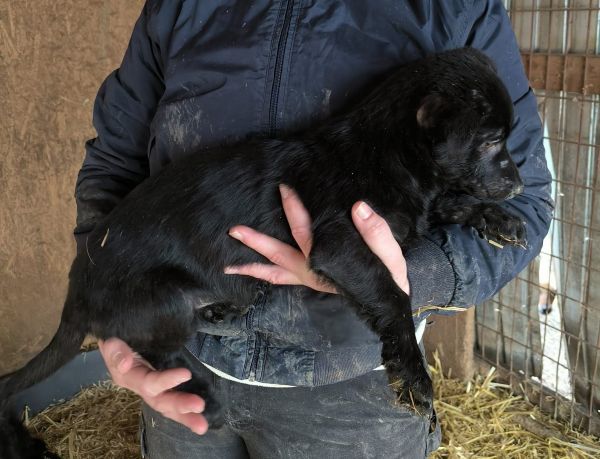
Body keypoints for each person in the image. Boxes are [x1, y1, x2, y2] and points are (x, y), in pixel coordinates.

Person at [75, 1, 553, 457]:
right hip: (184, 357)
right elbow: (116, 161)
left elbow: (526, 203)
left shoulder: (456, 8)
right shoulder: (177, 4)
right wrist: (112, 311)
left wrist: (404, 277)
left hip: (350, 390)